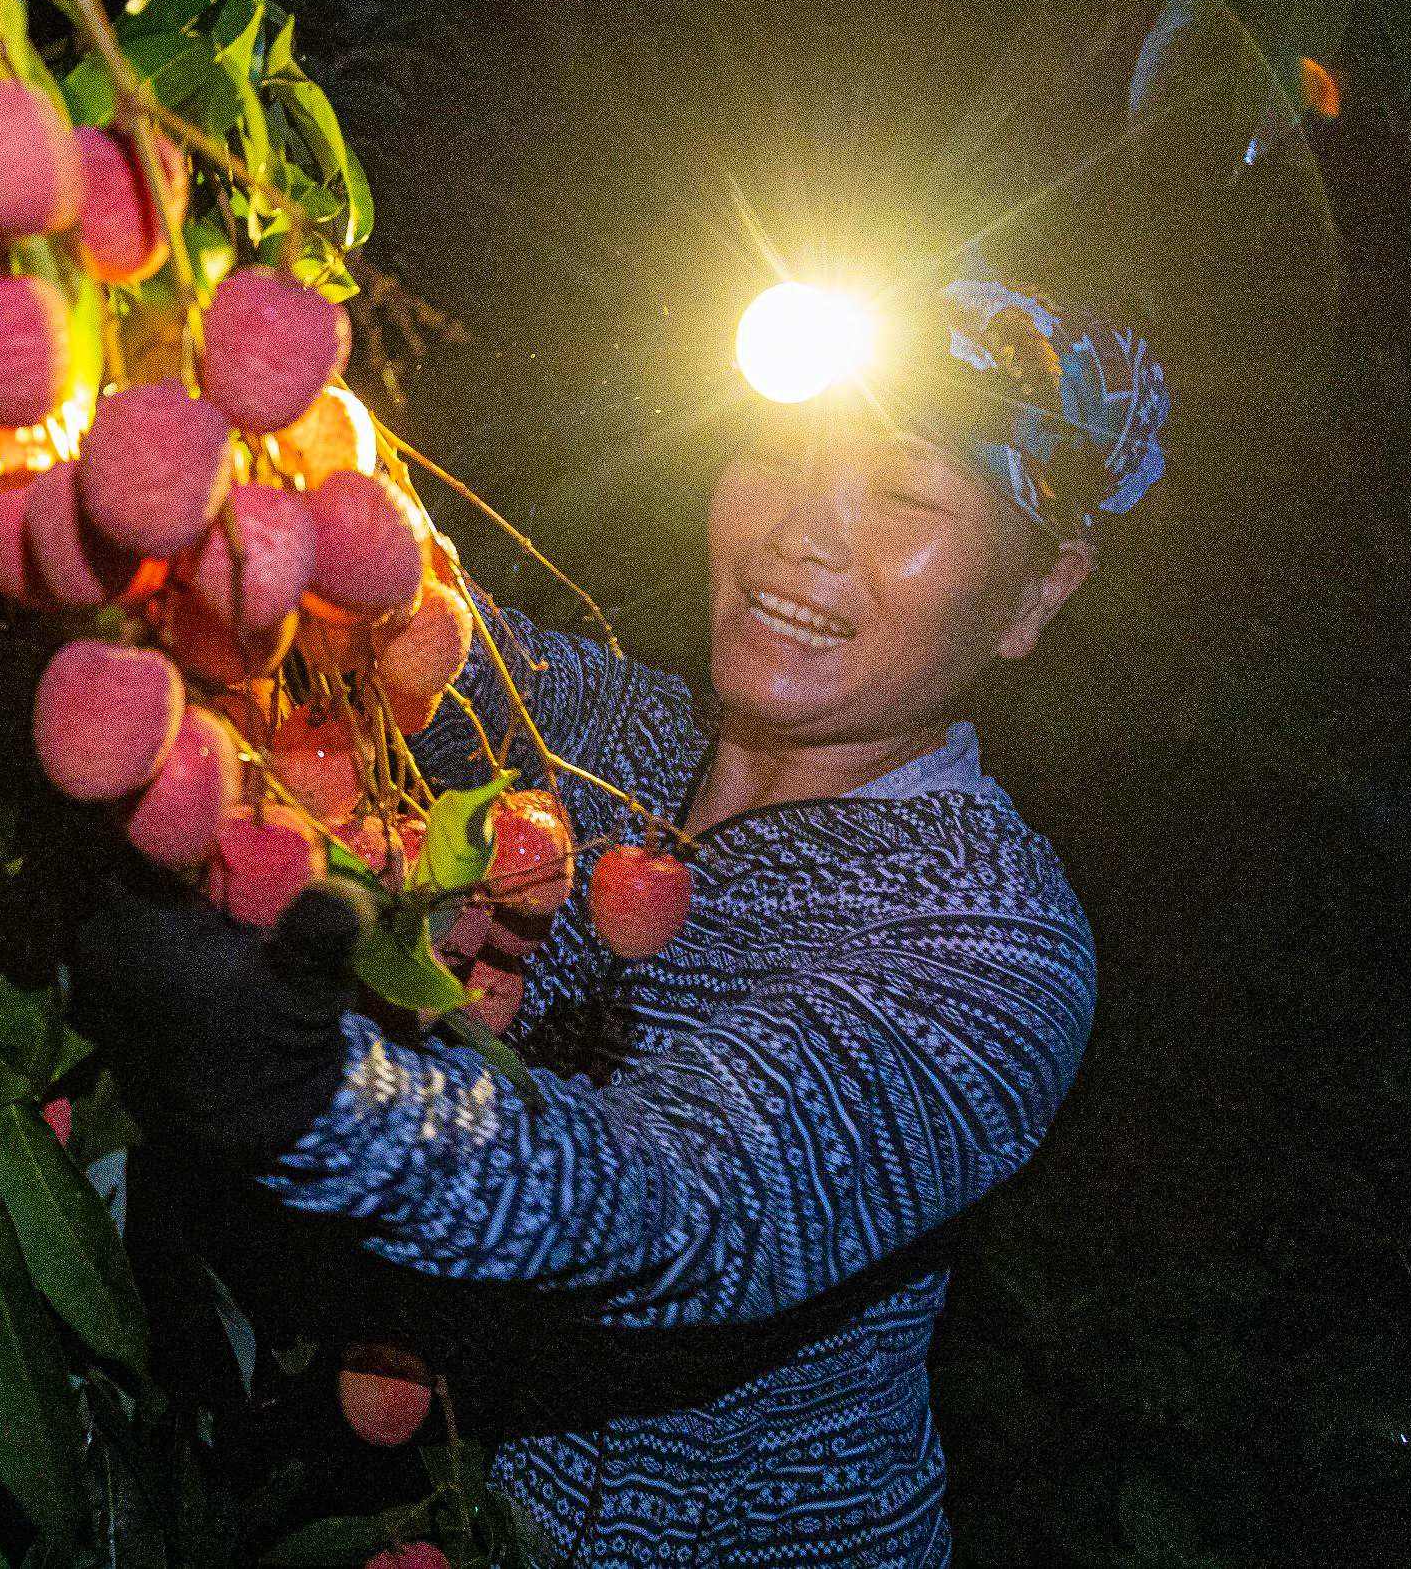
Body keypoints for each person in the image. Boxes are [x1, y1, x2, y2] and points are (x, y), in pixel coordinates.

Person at [77, 276, 1170, 1565]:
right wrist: (178, 347)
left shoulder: (993, 939)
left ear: (1043, 590)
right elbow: (397, 602)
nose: (798, 537)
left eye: (907, 497)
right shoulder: (603, 741)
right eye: (776, 454)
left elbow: (684, 1202)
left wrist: (311, 1097)